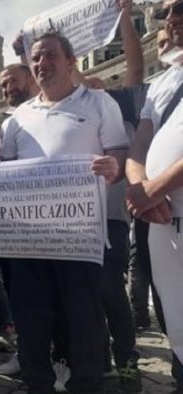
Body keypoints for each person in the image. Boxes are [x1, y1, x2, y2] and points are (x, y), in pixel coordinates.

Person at [1, 32, 129, 393]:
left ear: (71, 61)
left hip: (82, 237)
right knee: (31, 322)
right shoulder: (18, 118)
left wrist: (113, 166)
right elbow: (4, 173)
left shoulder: (100, 103)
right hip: (30, 241)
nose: (42, 63)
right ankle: (37, 384)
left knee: (84, 321)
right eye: (36, 58)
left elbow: (119, 151)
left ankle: (87, 385)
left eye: (51, 56)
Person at [126, 0, 183, 389]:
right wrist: (140, 190)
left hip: (162, 204)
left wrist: (153, 190)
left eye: (180, 11)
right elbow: (140, 145)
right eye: (168, 14)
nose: (172, 20)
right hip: (161, 219)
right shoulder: (163, 83)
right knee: (175, 321)